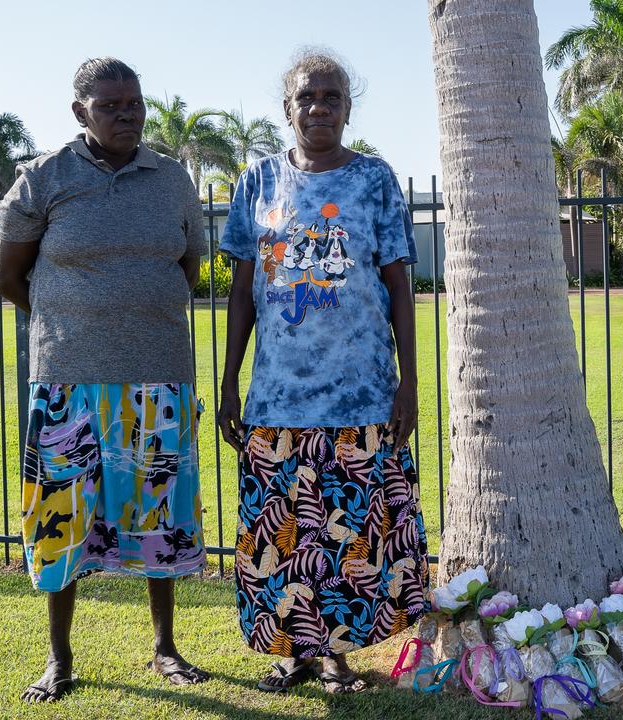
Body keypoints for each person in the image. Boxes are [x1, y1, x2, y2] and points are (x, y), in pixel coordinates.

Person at [0, 57, 210, 703]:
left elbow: (190, 265)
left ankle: (165, 647)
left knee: (158, 519)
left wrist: (135, 313)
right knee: (61, 521)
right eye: (112, 104)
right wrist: (73, 322)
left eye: (135, 103)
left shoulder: (172, 179)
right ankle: (59, 660)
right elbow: (8, 277)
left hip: (158, 381)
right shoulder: (41, 180)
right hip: (68, 382)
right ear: (79, 110)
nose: (128, 114)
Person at [217, 50, 431, 695]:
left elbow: (399, 284)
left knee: (351, 535)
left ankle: (337, 657)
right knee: (284, 533)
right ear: (288, 109)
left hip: (360, 393)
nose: (319, 108)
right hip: (278, 397)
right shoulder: (257, 182)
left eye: (332, 97)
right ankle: (294, 653)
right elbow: (242, 292)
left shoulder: (374, 180)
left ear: (348, 107)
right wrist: (229, 381)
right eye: (307, 97)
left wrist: (409, 380)